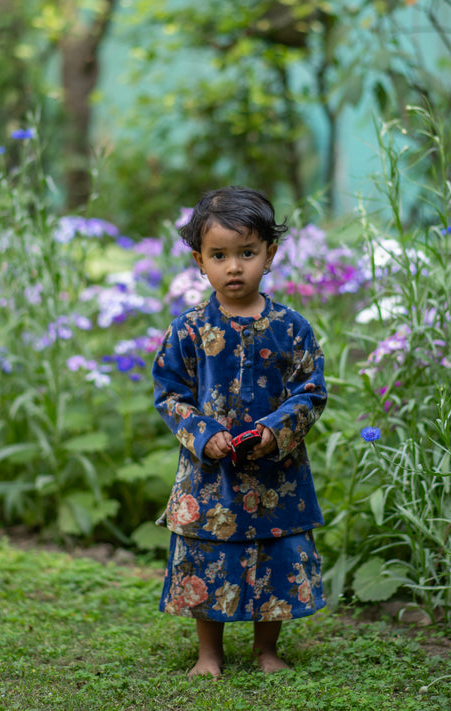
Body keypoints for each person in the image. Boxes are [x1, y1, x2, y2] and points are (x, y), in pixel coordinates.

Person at [152, 186, 327, 678]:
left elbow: (310, 392)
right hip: (211, 474)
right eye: (220, 255)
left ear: (269, 255)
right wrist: (201, 432)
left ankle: (266, 650)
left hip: (277, 472)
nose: (234, 267)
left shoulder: (292, 329)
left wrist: (276, 430)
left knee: (276, 553)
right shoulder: (186, 331)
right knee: (208, 555)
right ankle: (210, 655)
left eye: (247, 253)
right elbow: (169, 393)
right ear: (199, 261)